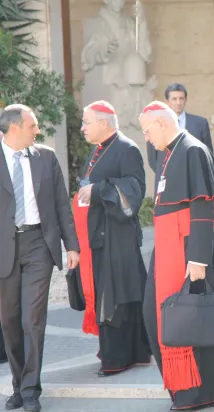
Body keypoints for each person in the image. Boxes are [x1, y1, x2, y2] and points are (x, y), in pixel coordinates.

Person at [138, 100, 214, 410]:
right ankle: (184, 387)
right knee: (157, 317)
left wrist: (197, 260)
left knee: (189, 317)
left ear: (162, 124)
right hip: (168, 249)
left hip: (187, 253)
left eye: (147, 130)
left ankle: (199, 391)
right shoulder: (169, 153)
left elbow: (203, 209)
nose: (146, 137)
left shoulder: (192, 149)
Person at [0, 104, 80, 412]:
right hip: (4, 248)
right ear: (14, 128)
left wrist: (71, 246)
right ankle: (19, 385)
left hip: (38, 245)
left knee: (32, 319)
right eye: (32, 126)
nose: (38, 130)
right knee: (9, 322)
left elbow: (62, 204)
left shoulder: (46, 158)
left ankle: (31, 389)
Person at [73, 100, 151, 376]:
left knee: (117, 297)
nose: (82, 128)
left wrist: (99, 190)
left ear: (103, 124)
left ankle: (118, 357)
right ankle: (130, 352)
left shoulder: (126, 149)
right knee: (116, 294)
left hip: (117, 237)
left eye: (86, 122)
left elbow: (135, 190)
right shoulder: (97, 150)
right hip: (99, 235)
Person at [147, 83, 214, 174]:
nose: (178, 103)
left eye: (181, 98)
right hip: (168, 178)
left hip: (195, 177)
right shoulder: (156, 126)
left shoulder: (200, 124)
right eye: (174, 99)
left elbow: (208, 155)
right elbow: (153, 159)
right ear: (167, 102)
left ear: (185, 100)